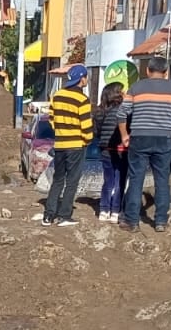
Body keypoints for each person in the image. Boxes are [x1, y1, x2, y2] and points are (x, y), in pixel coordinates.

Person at [117, 56, 171, 232]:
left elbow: (121, 114)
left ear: (147, 71)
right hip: (164, 138)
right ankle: (160, 221)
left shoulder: (136, 88)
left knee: (136, 179)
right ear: (166, 73)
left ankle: (131, 220)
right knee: (162, 180)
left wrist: (124, 135)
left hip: (140, 138)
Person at [44, 64, 94, 226]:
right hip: (76, 145)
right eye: (86, 77)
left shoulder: (57, 96)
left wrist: (61, 131)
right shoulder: (82, 100)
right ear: (82, 79)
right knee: (72, 181)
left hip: (60, 144)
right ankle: (64, 215)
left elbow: (51, 118)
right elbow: (86, 126)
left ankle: (48, 215)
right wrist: (87, 140)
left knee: (58, 180)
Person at [92, 81, 127, 223]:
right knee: (119, 181)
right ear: (117, 94)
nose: (125, 93)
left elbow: (96, 132)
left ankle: (104, 209)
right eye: (123, 91)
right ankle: (115, 211)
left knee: (108, 181)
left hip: (105, 149)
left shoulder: (99, 111)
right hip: (121, 150)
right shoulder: (123, 110)